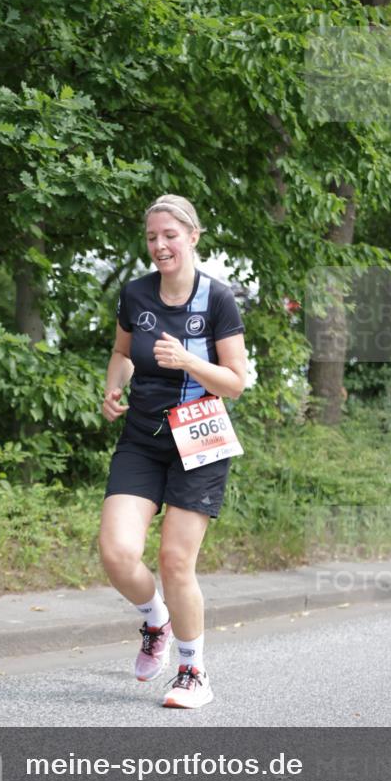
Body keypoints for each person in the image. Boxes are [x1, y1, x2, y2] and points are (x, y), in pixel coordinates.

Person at [98, 194, 247, 708]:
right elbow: (122, 352)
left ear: (193, 237)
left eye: (170, 236)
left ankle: (192, 672)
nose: (160, 246)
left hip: (200, 437)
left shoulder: (217, 299)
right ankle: (155, 620)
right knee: (117, 553)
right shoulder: (136, 295)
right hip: (143, 436)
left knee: (175, 560)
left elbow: (235, 383)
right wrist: (113, 387)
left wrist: (187, 360)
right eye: (152, 237)